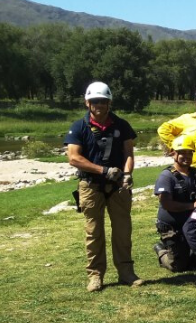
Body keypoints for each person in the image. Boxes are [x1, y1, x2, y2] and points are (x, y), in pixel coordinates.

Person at [66, 81, 142, 292]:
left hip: (118, 186)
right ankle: (95, 275)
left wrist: (127, 174)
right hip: (91, 185)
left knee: (122, 230)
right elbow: (74, 158)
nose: (99, 105)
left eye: (103, 101)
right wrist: (103, 170)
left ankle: (126, 272)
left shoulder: (122, 125)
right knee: (93, 231)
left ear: (109, 103)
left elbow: (128, 153)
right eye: (95, 101)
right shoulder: (78, 127)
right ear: (87, 103)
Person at [152, 136, 196, 272]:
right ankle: (161, 250)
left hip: (193, 225)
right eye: (182, 152)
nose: (187, 156)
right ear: (173, 153)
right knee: (178, 266)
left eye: (190, 153)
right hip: (173, 226)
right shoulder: (166, 176)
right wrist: (192, 206)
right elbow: (166, 203)